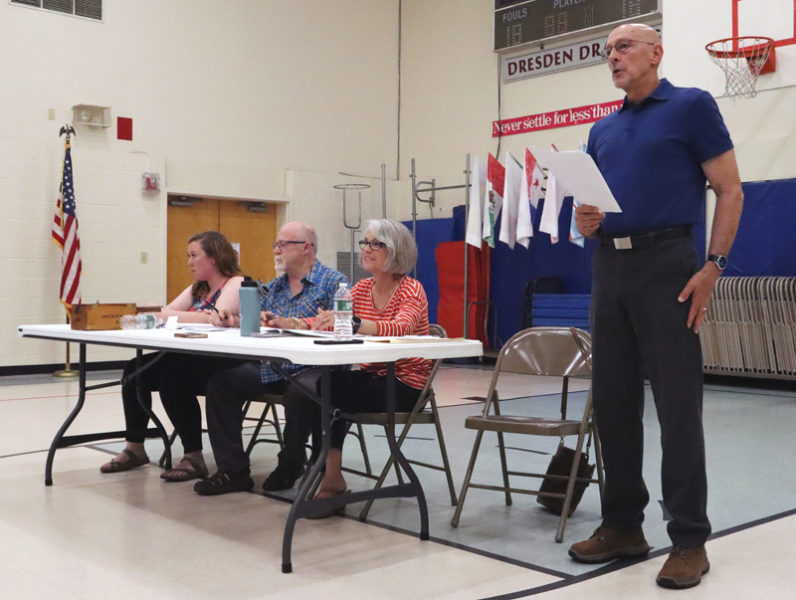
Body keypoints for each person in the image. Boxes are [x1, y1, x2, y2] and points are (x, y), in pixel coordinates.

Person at [568, 24, 743, 590]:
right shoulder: (603, 129)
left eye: (622, 47)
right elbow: (592, 207)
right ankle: (623, 525)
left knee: (676, 406)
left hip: (670, 265)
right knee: (613, 404)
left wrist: (713, 267)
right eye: (607, 51)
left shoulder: (691, 106)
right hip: (608, 268)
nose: (612, 57)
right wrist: (585, 220)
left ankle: (689, 538)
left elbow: (731, 189)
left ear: (655, 53)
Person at [269, 218, 430, 516]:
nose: (366, 249)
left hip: (407, 384)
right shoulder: (361, 288)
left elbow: (401, 327)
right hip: (373, 376)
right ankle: (331, 478)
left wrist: (355, 323)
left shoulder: (411, 289)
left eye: (375, 244)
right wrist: (291, 323)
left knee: (331, 394)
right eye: (364, 242)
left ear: (394, 249)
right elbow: (329, 319)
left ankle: (330, 481)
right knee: (327, 387)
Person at [192, 221, 348, 496]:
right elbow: (259, 321)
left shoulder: (334, 282)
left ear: (306, 248)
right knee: (222, 382)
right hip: (275, 367)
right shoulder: (274, 287)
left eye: (283, 244)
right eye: (275, 244)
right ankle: (233, 470)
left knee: (299, 392)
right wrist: (233, 320)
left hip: (315, 368)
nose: (276, 250)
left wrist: (295, 323)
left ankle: (291, 462)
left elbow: (343, 324)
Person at [99, 231, 244, 481]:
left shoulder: (236, 283)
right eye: (188, 256)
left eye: (194, 256)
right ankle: (135, 447)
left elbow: (216, 318)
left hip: (223, 359)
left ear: (214, 259)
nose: (188, 263)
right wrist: (175, 315)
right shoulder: (197, 289)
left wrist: (173, 315)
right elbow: (168, 311)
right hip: (190, 352)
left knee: (173, 378)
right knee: (135, 370)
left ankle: (194, 456)